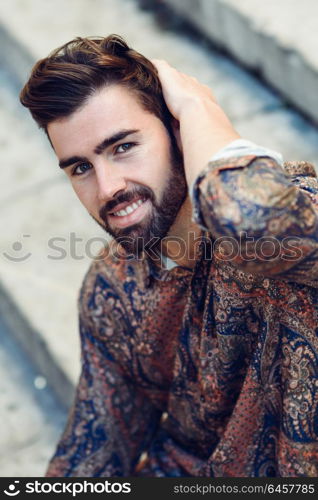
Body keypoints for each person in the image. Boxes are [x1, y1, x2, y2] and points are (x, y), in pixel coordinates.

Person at [20, 34, 318, 477]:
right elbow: (93, 452)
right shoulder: (114, 287)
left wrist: (200, 108)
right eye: (81, 167)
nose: (108, 189)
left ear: (178, 132)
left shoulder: (295, 211)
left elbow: (248, 218)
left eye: (123, 147)